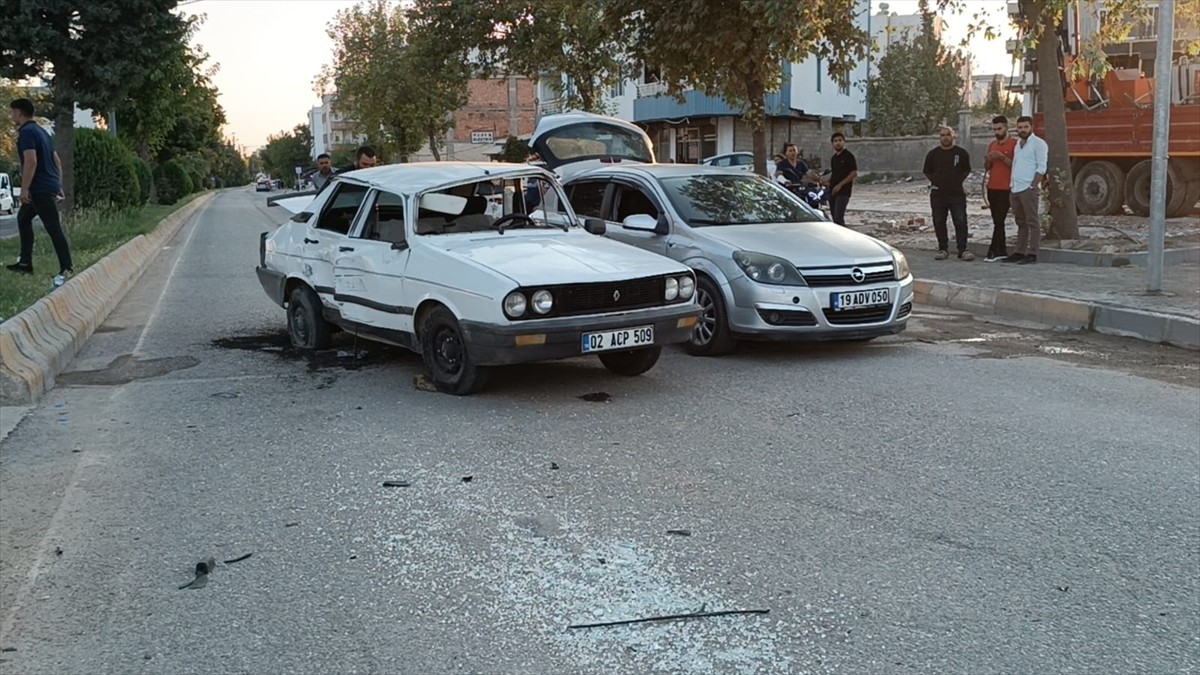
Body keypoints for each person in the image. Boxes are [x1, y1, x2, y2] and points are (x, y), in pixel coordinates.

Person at [7, 98, 73, 283]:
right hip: (48, 185)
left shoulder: (26, 132)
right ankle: (25, 263)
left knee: (53, 228)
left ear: (19, 113)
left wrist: (24, 189)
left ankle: (67, 268)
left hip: (39, 189)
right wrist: (57, 185)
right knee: (23, 218)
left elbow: (31, 161)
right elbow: (57, 161)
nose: (12, 116)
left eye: (13, 112)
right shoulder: (42, 132)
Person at [922, 126, 974, 261]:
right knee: (939, 221)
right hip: (938, 195)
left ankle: (963, 250)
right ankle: (943, 249)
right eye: (942, 135)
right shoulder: (933, 154)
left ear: (953, 136)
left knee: (960, 221)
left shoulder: (961, 153)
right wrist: (936, 181)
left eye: (948, 135)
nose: (945, 137)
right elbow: (927, 171)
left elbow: (966, 170)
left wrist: (956, 181)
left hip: (956, 194)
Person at [1002, 115, 1048, 265]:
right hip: (1015, 188)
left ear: (1031, 127)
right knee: (1020, 222)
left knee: (1032, 221)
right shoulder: (1017, 145)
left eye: (1025, 127)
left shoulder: (1039, 144)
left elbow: (1041, 167)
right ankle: (1019, 251)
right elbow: (1015, 165)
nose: (1022, 130)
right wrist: (1012, 186)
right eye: (1020, 127)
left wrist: (1033, 186)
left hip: (1028, 188)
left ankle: (1033, 253)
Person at [983, 116, 1016, 262]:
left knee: (999, 219)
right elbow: (987, 168)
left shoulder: (1015, 144)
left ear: (1006, 127)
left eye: (999, 129)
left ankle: (993, 249)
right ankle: (1002, 249)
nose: (997, 132)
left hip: (1006, 187)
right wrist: (988, 160)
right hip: (992, 186)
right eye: (994, 129)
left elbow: (1016, 165)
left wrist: (1002, 157)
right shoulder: (992, 145)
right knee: (997, 219)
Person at [828, 132, 858, 226]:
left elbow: (854, 173)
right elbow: (835, 174)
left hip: (843, 192)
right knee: (834, 218)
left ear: (844, 142)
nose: (838, 143)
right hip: (833, 192)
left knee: (838, 218)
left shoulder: (848, 156)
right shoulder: (834, 158)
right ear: (832, 143)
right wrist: (828, 183)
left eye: (840, 140)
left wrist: (840, 185)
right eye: (835, 141)